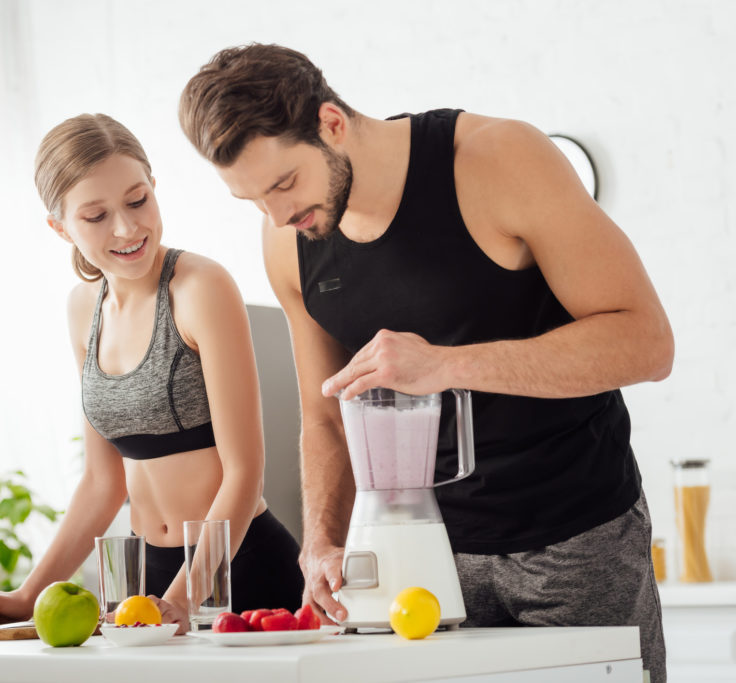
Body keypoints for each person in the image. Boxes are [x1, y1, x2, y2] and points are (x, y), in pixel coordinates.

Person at [178, 44, 672, 680]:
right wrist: (325, 540)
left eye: (283, 183)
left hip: (576, 537)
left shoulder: (497, 158)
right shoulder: (287, 241)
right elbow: (325, 414)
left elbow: (647, 342)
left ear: (331, 122)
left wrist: (446, 364)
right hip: (419, 560)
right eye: (252, 200)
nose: (277, 215)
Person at [0, 113, 303, 631]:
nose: (127, 228)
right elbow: (103, 483)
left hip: (238, 570)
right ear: (61, 228)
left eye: (136, 200)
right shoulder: (83, 308)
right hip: (149, 580)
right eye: (96, 216)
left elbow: (244, 471)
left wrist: (186, 598)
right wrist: (28, 594)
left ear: (154, 187)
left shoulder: (201, 287)